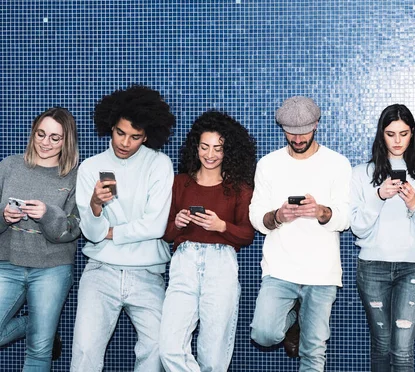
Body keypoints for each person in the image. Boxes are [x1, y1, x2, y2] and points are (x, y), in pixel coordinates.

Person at [70, 85, 175, 372]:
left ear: (148, 135)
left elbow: (155, 225)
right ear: (110, 126)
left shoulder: (159, 164)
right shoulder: (91, 167)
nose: (125, 142)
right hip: (101, 271)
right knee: (84, 352)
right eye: (120, 132)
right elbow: (91, 233)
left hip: (148, 273)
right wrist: (94, 206)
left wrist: (111, 232)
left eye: (135, 136)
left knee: (156, 351)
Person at [249, 96, 352, 371]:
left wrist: (321, 212)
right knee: (264, 333)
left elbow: (345, 218)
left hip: (322, 272)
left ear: (317, 124)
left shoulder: (337, 164)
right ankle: (293, 320)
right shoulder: (268, 164)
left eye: (304, 132)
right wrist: (278, 217)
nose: (297, 139)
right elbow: (256, 216)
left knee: (313, 351)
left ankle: (301, 324)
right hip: (280, 269)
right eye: (290, 133)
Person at [159, 111, 256, 372]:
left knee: (213, 357)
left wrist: (221, 226)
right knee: (169, 347)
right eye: (204, 147)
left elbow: (247, 235)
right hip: (184, 262)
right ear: (195, 147)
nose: (210, 154)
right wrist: (177, 223)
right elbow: (167, 234)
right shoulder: (180, 183)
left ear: (228, 151)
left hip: (221, 263)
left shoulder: (240, 188)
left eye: (218, 148)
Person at [350, 104, 415, 372]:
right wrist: (379, 197)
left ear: (412, 134)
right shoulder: (361, 174)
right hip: (372, 267)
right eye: (390, 134)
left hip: (412, 267)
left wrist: (414, 206)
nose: (397, 141)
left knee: (402, 351)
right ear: (381, 135)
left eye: (404, 133)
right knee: (381, 344)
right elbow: (357, 229)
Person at [0, 108, 79, 371]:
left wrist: (47, 215)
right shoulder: (10, 166)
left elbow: (73, 229)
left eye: (55, 138)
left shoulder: (76, 175)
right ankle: (34, 324)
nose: (46, 143)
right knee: (37, 334)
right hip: (7, 264)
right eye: (41, 134)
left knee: (39, 349)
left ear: (67, 140)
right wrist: (3, 217)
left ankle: (42, 330)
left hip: (52, 270)